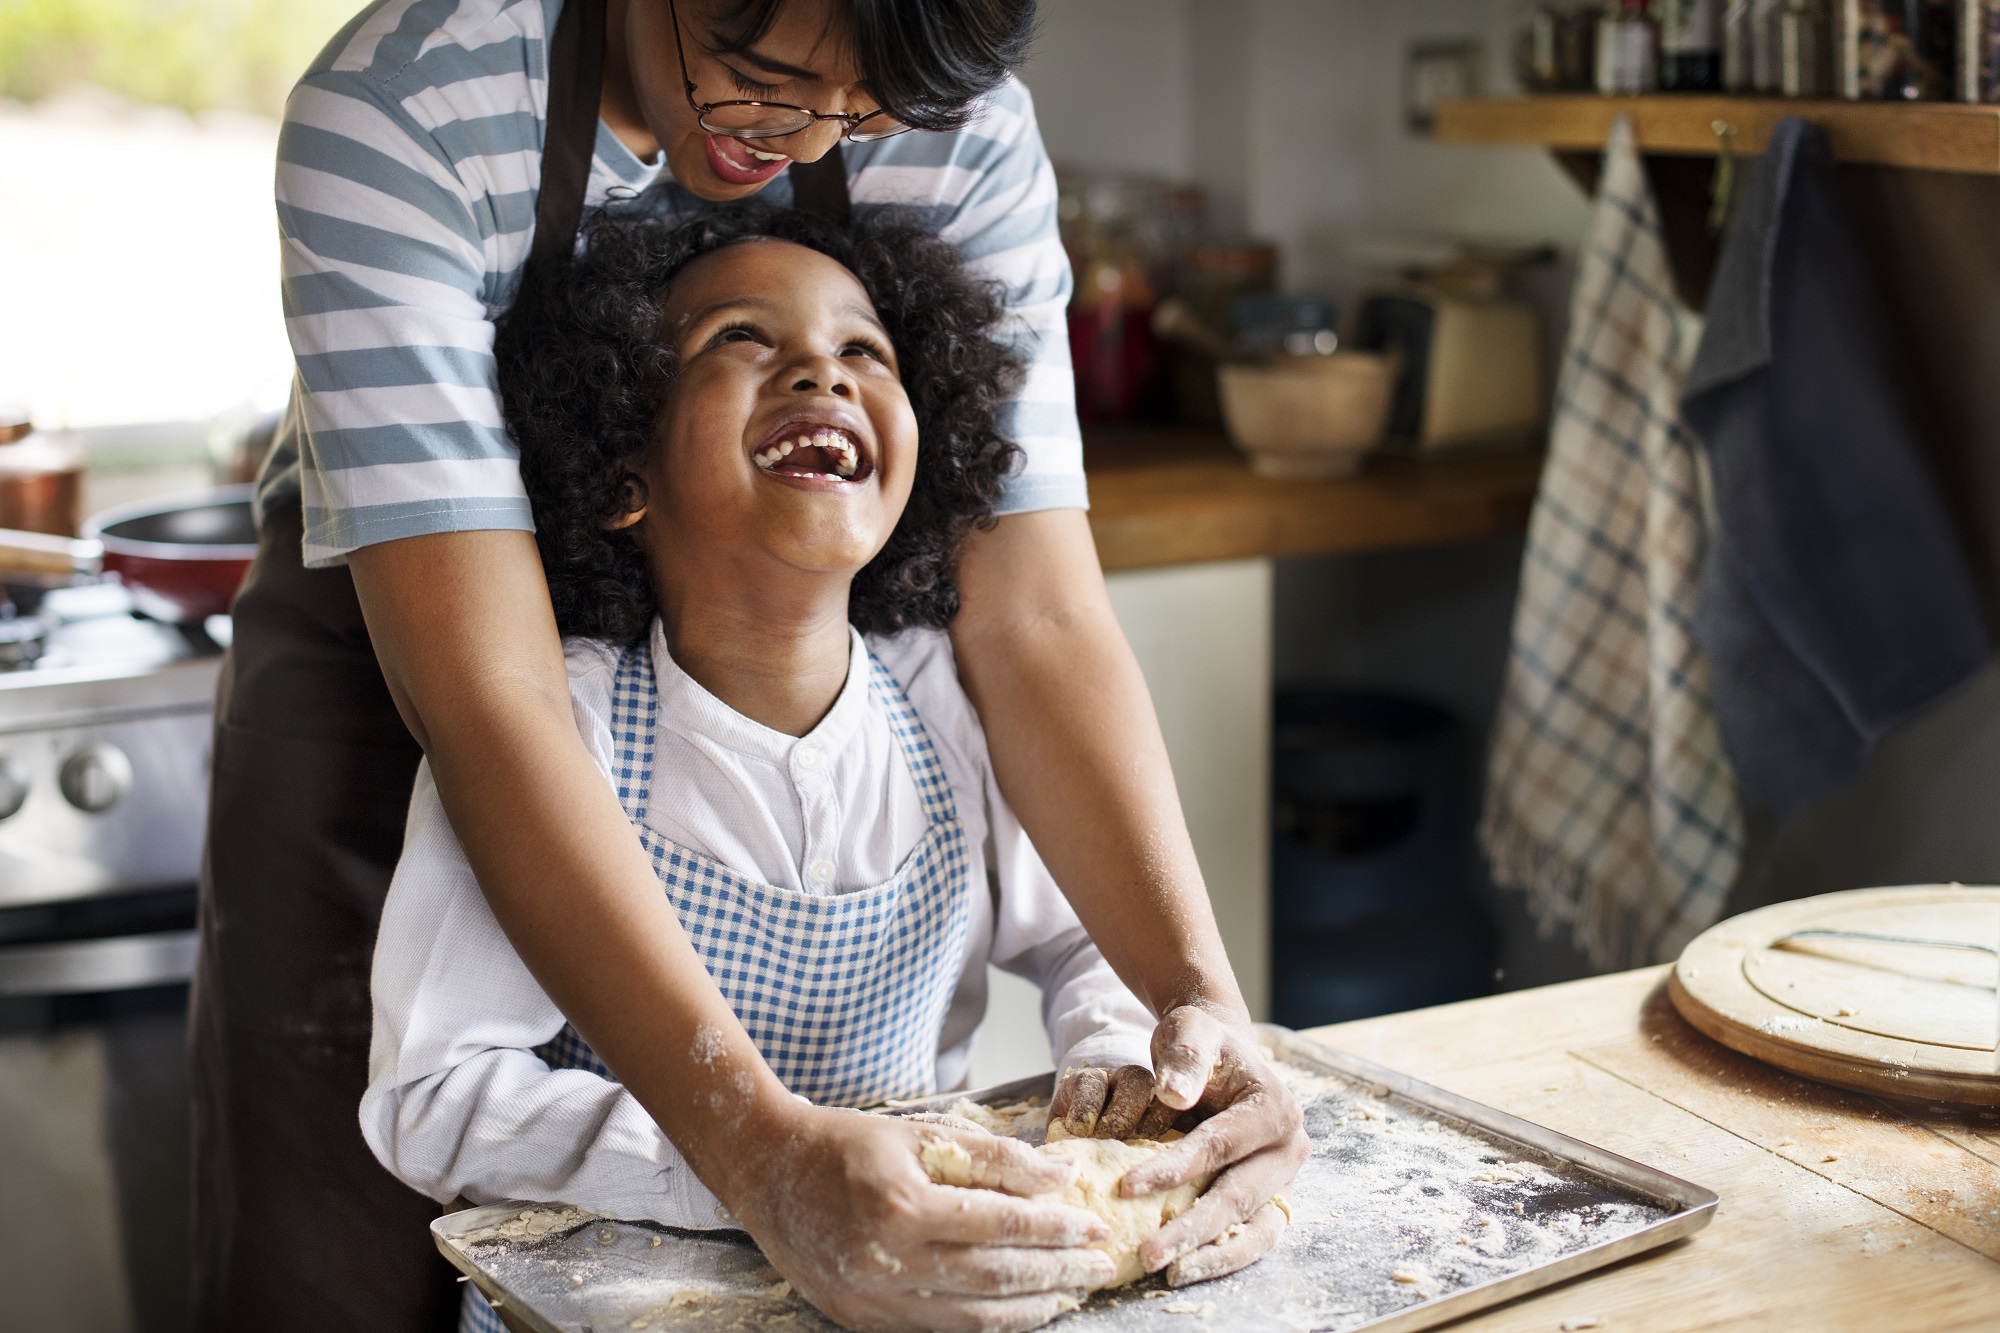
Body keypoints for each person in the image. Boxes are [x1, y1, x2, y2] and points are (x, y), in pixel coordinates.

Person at [193, 2, 1306, 1330]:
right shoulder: (407, 111)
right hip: (412, 664)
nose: (803, 142)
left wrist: (1197, 1006)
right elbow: (494, 698)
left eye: (862, 115)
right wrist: (755, 1153)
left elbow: (1036, 620)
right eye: (760, 82)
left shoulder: (917, 711)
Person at [369, 205, 1187, 1333]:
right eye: (741, 339)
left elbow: (1084, 936)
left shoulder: (948, 704)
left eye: (865, 350)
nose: (821, 368)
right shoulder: (558, 728)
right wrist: (739, 1169)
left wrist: (1107, 1063)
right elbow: (434, 1098)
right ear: (621, 468)